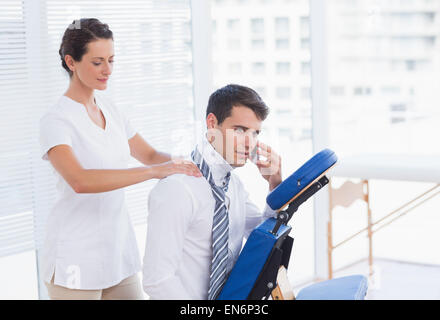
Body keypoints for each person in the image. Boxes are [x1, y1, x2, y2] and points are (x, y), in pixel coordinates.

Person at [39, 18, 201, 300]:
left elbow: (149, 155)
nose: (108, 70)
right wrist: (154, 172)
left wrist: (191, 162)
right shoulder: (56, 120)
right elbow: (80, 180)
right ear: (71, 62)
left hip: (117, 253)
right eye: (98, 62)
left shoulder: (110, 109)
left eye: (111, 60)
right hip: (74, 260)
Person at [142, 84, 283, 299]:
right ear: (212, 124)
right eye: (240, 130)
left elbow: (263, 236)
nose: (250, 143)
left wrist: (275, 185)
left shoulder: (232, 185)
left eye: (255, 133)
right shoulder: (176, 189)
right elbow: (157, 281)